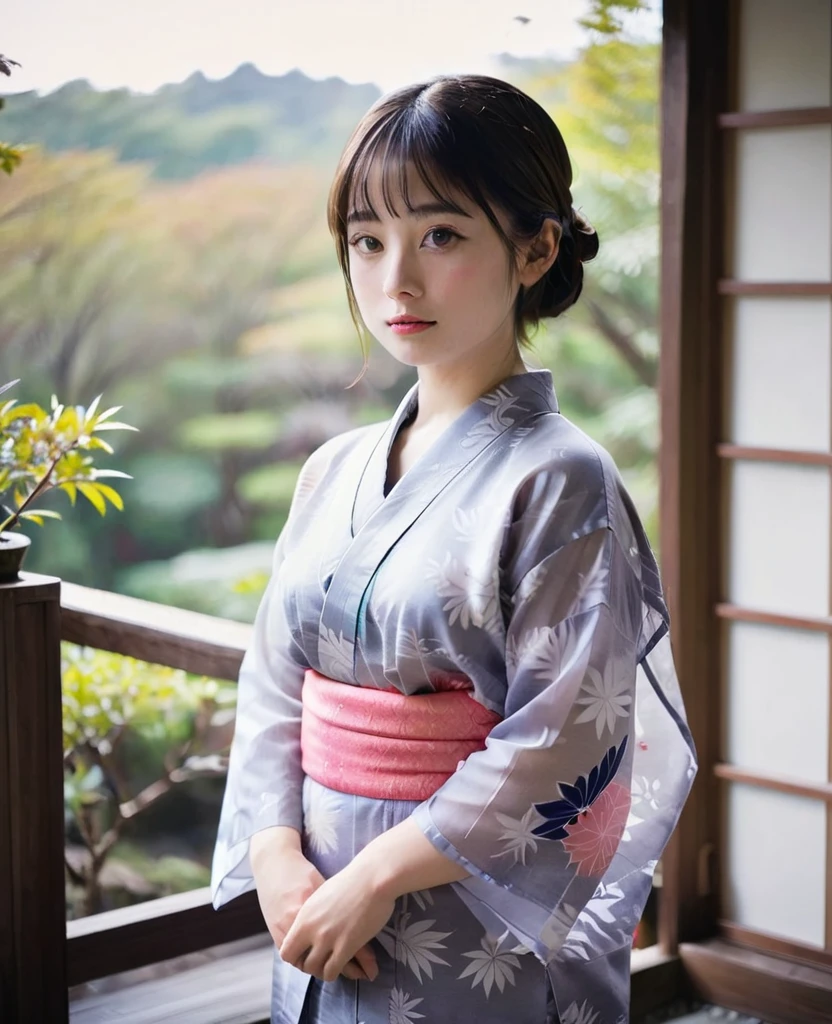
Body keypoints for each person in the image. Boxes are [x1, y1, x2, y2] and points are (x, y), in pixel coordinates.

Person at [210, 74, 697, 1024]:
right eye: (367, 240)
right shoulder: (332, 469)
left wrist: (378, 877)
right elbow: (272, 684)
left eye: (440, 235)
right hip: (313, 902)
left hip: (467, 924)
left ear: (535, 248)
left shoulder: (562, 478)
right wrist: (275, 853)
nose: (396, 278)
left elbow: (565, 737)